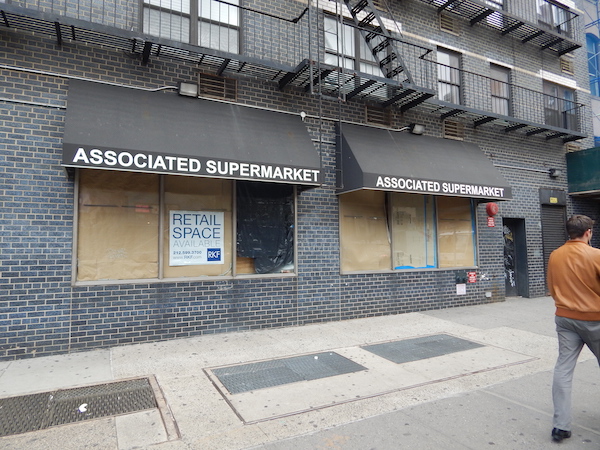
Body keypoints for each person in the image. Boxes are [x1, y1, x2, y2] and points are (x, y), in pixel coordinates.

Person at [547, 214, 600, 443]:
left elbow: (551, 287)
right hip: (595, 319)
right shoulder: (596, 255)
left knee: (563, 369)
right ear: (588, 232)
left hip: (565, 318)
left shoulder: (555, 255)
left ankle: (561, 426)